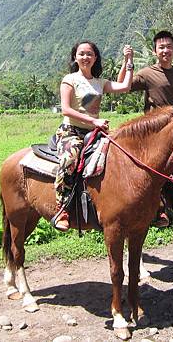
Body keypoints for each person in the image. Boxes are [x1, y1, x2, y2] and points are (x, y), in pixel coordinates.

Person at [53, 41, 134, 231]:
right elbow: (65, 109)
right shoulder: (70, 79)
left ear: (95, 57)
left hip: (95, 132)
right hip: (71, 132)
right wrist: (93, 121)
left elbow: (125, 86)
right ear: (75, 57)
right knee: (69, 160)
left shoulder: (99, 82)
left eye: (89, 54)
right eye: (81, 54)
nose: (85, 57)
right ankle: (62, 209)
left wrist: (128, 60)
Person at [117, 30, 173, 226]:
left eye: (169, 47)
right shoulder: (147, 74)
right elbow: (122, 85)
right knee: (153, 169)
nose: (165, 50)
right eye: (161, 47)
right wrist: (127, 61)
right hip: (153, 133)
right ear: (154, 51)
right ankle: (155, 210)